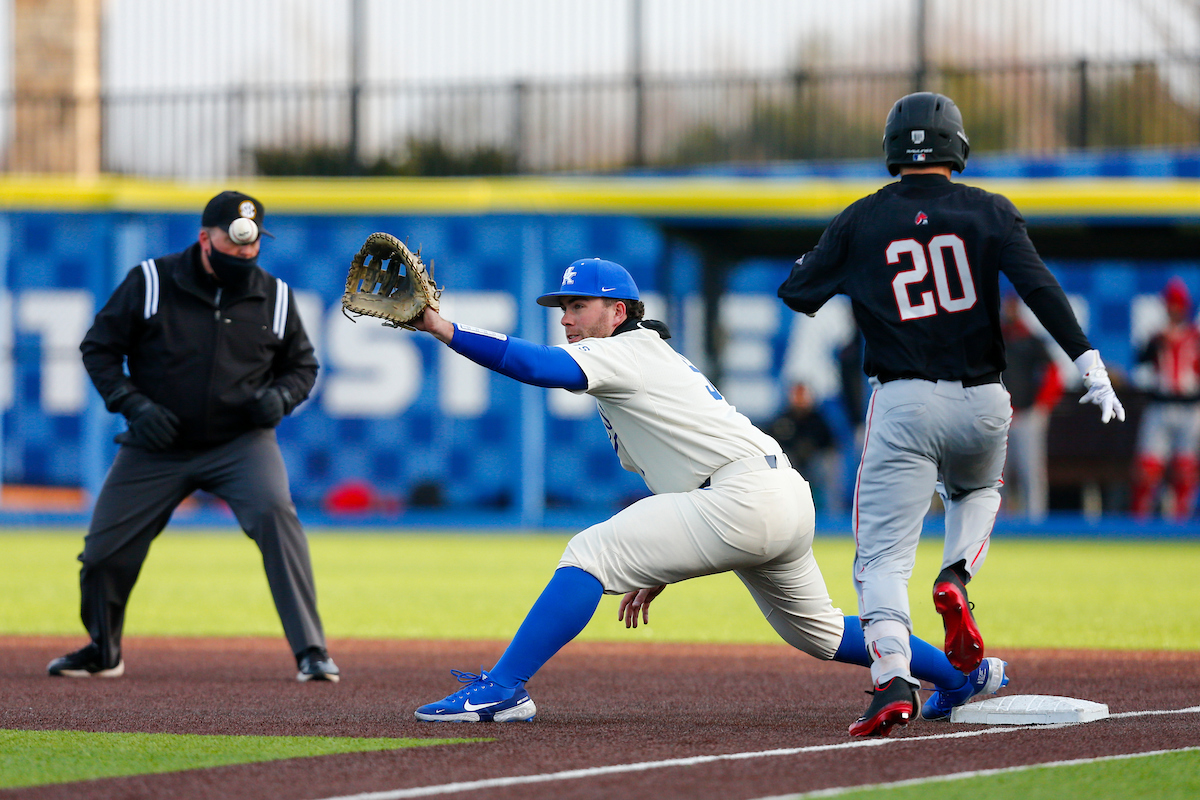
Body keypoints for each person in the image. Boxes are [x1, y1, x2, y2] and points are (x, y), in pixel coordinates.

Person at [407, 257, 1007, 732]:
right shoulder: (636, 361)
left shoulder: (628, 350)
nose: (565, 318)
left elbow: (535, 368)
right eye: (561, 307)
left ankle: (503, 691)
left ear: (617, 311)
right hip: (773, 495)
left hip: (742, 496)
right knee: (820, 635)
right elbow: (682, 479)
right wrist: (662, 565)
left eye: (578, 305)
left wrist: (443, 327)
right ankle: (963, 675)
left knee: (588, 553)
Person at [777, 92, 1124, 736]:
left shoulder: (861, 220)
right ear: (956, 148)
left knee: (880, 560)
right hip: (984, 399)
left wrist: (834, 258)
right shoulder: (989, 212)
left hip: (904, 401)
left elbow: (798, 291)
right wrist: (1089, 362)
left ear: (891, 150)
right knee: (977, 490)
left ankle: (892, 682)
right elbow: (1039, 288)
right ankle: (958, 573)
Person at [50, 191, 339, 683]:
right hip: (157, 442)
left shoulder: (276, 295)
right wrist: (133, 405)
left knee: (276, 517)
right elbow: (98, 348)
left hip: (240, 443)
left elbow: (302, 365)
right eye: (235, 241)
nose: (245, 253)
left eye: (253, 244)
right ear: (205, 237)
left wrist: (282, 398)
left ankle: (312, 651)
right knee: (103, 553)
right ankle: (103, 648)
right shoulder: (151, 281)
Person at [1131, 277, 1200, 520]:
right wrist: (1155, 342)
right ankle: (1140, 520)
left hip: (1190, 408)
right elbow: (1140, 359)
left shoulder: (1195, 336)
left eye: (1177, 304)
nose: (1173, 309)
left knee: (1185, 469)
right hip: (1160, 406)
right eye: (1170, 304)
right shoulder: (1156, 336)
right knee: (1148, 468)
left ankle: (1181, 521)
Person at [1000, 294, 1063, 521]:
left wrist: (1042, 406)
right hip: (999, 418)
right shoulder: (995, 339)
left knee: (1031, 475)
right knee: (997, 477)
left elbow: (1054, 373)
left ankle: (1036, 525)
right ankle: (997, 526)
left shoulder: (1031, 340)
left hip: (1027, 415)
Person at [767, 382, 839, 512]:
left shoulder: (817, 419)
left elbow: (830, 445)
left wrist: (811, 450)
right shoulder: (783, 419)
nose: (799, 399)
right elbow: (771, 444)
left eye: (802, 395)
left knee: (826, 465)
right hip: (792, 463)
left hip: (814, 462)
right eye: (796, 395)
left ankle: (831, 513)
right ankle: (784, 510)